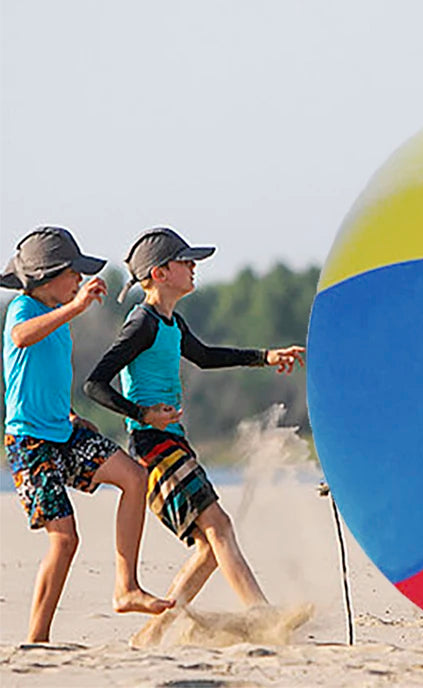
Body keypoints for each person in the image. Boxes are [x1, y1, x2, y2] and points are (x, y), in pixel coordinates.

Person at [83, 227, 305, 645]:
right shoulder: (142, 323)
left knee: (209, 547)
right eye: (186, 261)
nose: (194, 267)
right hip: (153, 446)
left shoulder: (171, 322)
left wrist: (265, 357)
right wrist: (141, 413)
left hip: (173, 443)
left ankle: (152, 633)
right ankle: (262, 616)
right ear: (160, 273)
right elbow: (95, 384)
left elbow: (205, 356)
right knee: (219, 526)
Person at [1, 227, 174, 643]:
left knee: (134, 478)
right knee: (65, 539)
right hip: (29, 442)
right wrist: (76, 307)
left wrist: (72, 415)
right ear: (46, 276)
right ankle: (37, 639)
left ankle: (126, 586)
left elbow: (44, 379)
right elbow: (21, 339)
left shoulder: (57, 323)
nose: (79, 280)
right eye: (73, 273)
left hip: (64, 430)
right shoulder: (23, 309)